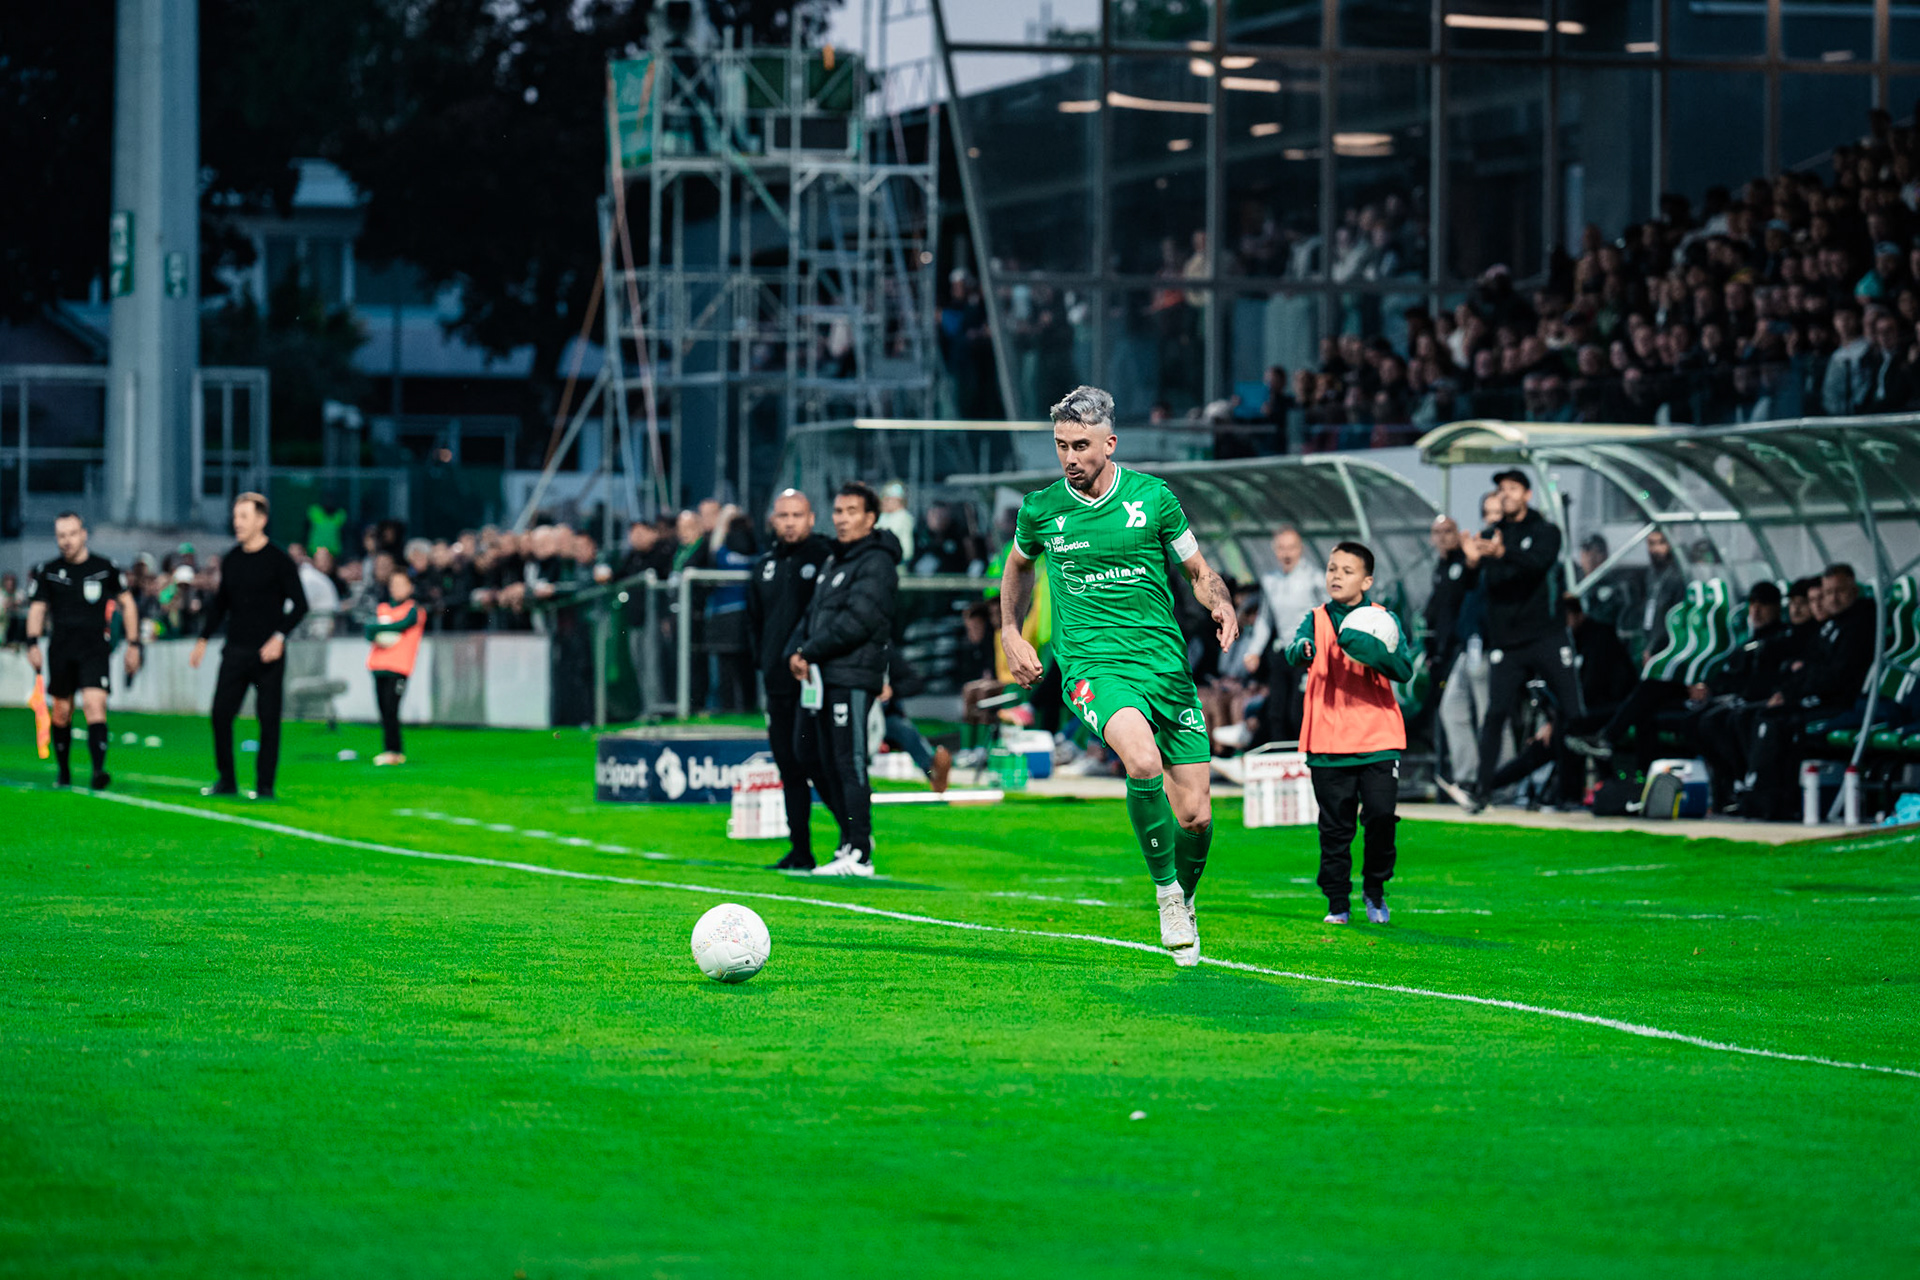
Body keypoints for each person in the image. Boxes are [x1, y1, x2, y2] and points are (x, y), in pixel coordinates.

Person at [999, 385, 1238, 967]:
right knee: (1141, 760)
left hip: (1164, 667)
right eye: (1061, 446)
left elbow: (1198, 569)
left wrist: (1221, 603)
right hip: (1093, 665)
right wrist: (1011, 630)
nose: (1070, 457)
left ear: (1110, 443)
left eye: (1081, 445)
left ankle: (1184, 897)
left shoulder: (1153, 499)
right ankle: (1165, 895)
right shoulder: (1041, 510)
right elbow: (1018, 566)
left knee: (1197, 817)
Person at [1284, 541, 1411, 925]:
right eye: (1332, 568)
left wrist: (1372, 651)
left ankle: (1375, 891)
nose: (1336, 576)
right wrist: (1302, 650)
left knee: (1381, 817)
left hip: (1378, 739)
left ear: (1367, 580)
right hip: (1327, 740)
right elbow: (1294, 649)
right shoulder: (1317, 617)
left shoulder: (1383, 618)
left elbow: (1404, 668)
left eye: (1347, 570)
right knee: (1335, 827)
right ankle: (1338, 902)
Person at [1445, 469, 1583, 813]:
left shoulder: (1545, 531)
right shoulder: (1491, 536)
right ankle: (1483, 790)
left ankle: (1575, 791)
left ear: (1527, 494)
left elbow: (1538, 565)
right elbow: (1469, 587)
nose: (1505, 494)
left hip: (1547, 636)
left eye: (1511, 488)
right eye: (1500, 489)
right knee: (1494, 714)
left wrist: (1502, 553)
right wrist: (1473, 563)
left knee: (1572, 711)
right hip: (1507, 644)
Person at [787, 482, 902, 877]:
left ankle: (859, 852)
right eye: (838, 511)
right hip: (823, 676)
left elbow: (858, 621)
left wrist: (809, 651)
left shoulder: (877, 562)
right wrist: (797, 652)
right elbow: (813, 616)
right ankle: (850, 838)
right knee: (811, 757)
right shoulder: (836, 560)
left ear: (870, 518)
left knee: (848, 761)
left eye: (851, 511)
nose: (842, 518)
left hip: (852, 675)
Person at [191, 493, 310, 801]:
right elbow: (220, 605)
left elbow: (300, 605)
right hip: (235, 650)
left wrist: (279, 637)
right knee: (220, 715)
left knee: (268, 720)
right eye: (235, 516)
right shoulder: (231, 560)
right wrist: (203, 639)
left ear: (261, 519)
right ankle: (227, 780)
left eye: (244, 516)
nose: (237, 523)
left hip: (267, 654)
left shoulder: (279, 560)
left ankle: (265, 786)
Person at [746, 489, 833, 871]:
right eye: (783, 515)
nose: (790, 522)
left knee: (813, 760)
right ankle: (801, 850)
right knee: (788, 765)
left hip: (814, 680)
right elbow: (754, 624)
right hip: (777, 683)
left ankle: (855, 837)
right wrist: (763, 664)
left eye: (797, 515)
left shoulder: (826, 558)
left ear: (811, 518)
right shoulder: (764, 565)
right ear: (773, 520)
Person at [23, 512, 142, 789]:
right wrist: (32, 643)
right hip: (61, 650)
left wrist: (134, 644)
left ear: (83, 534)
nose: (67, 541)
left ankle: (98, 771)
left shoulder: (104, 568)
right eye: (61, 536)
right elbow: (37, 609)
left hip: (94, 650)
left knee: (94, 704)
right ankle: (63, 773)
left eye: (72, 534)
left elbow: (129, 605)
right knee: (62, 712)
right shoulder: (48, 571)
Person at [1243, 525, 1327, 744]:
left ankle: (1307, 758)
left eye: (1291, 548)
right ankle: (1280, 759)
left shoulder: (1315, 578)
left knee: (1298, 711)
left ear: (1300, 549)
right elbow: (1265, 620)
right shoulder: (1271, 580)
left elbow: (1329, 615)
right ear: (1275, 550)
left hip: (1307, 653)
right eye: (1281, 548)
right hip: (1282, 652)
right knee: (1276, 711)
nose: (1287, 553)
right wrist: (1253, 652)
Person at [366, 569, 426, 766]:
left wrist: (379, 628)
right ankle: (389, 750)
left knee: (392, 709)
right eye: (394, 584)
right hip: (379, 666)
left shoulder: (414, 610)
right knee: (383, 711)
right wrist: (378, 629)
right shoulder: (383, 608)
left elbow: (401, 625)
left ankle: (395, 751)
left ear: (410, 587)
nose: (397, 588)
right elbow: (368, 632)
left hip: (399, 667)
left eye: (401, 584)